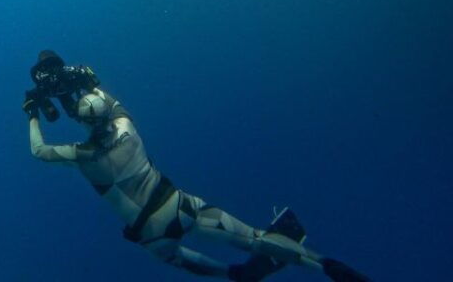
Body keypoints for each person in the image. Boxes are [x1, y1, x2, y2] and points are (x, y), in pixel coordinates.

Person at [22, 51, 370, 282]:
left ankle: (234, 274)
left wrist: (33, 114)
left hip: (150, 235)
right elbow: (108, 104)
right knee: (253, 238)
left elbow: (39, 151)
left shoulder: (82, 156)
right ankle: (323, 264)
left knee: (209, 266)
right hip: (178, 205)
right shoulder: (126, 126)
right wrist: (84, 80)